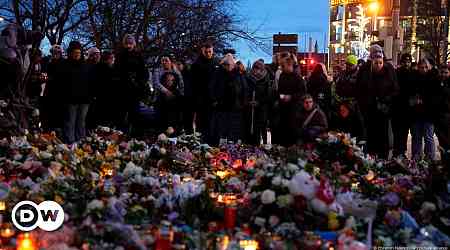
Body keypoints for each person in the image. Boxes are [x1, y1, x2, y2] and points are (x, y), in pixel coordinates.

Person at [356, 44, 399, 159]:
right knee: (370, 135)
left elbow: (394, 88)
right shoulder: (365, 69)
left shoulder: (389, 69)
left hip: (383, 109)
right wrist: (363, 103)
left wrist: (386, 100)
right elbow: (359, 88)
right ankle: (370, 157)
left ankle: (383, 157)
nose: (378, 64)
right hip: (369, 109)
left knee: (383, 135)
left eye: (380, 61)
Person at [56, 41, 91, 144]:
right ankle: (70, 141)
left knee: (81, 122)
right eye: (75, 52)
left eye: (79, 53)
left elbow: (90, 81)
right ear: (70, 53)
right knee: (70, 121)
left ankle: (80, 141)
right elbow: (61, 82)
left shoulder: (85, 65)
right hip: (70, 98)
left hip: (84, 98)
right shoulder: (64, 65)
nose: (77, 54)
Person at [209, 54, 248, 145]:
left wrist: (243, 102)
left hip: (235, 107)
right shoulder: (218, 73)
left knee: (233, 130)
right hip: (222, 106)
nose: (227, 66)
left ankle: (232, 148)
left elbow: (244, 89)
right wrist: (214, 100)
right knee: (221, 130)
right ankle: (221, 147)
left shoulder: (239, 74)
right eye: (225, 64)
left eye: (229, 64)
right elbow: (212, 87)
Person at [115, 34, 149, 134]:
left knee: (134, 115)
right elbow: (116, 72)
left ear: (133, 44)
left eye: (130, 43)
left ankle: (134, 136)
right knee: (121, 115)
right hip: (123, 90)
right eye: (127, 43)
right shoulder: (120, 56)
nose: (129, 46)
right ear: (124, 44)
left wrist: (140, 83)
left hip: (135, 90)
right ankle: (120, 135)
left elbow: (144, 72)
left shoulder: (139, 56)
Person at [409, 59, 440, 161]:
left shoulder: (434, 79)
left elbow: (437, 97)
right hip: (416, 113)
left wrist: (424, 100)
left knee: (428, 137)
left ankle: (430, 158)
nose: (424, 69)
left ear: (429, 67)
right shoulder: (414, 78)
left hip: (428, 114)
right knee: (416, 137)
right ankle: (416, 158)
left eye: (426, 67)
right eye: (421, 67)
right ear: (418, 68)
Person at [274, 53, 307, 146]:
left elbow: (302, 93)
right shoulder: (282, 76)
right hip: (283, 109)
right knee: (283, 133)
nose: (282, 68)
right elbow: (279, 90)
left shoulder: (297, 78)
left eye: (283, 66)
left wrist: (291, 97)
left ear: (289, 65)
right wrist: (280, 97)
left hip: (294, 110)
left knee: (292, 133)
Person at [190, 42, 219, 143]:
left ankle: (212, 145)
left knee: (212, 125)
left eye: (210, 51)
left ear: (212, 51)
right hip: (200, 100)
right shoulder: (196, 65)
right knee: (201, 126)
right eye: (206, 52)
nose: (208, 53)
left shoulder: (217, 64)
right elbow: (193, 84)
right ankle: (200, 145)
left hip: (213, 101)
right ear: (202, 51)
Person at [245, 59, 276, 145]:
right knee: (251, 129)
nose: (255, 71)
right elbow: (245, 91)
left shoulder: (266, 80)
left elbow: (268, 95)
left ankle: (261, 146)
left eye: (257, 69)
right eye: (254, 68)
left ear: (261, 70)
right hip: (250, 109)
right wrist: (248, 101)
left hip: (262, 109)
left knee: (260, 129)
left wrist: (259, 102)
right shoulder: (248, 78)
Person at [392, 53, 413, 158]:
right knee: (397, 131)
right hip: (397, 107)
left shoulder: (412, 74)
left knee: (404, 131)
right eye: (405, 61)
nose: (407, 63)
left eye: (408, 61)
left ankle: (402, 151)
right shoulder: (397, 73)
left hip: (406, 108)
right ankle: (397, 151)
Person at [93, 51, 121, 128]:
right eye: (112, 58)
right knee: (105, 124)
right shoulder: (107, 69)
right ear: (108, 59)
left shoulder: (99, 68)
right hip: (106, 100)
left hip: (104, 100)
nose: (113, 60)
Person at [41, 44, 64, 133]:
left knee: (58, 113)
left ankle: (57, 131)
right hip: (48, 91)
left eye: (58, 53)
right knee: (48, 111)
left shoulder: (63, 63)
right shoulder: (48, 62)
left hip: (59, 92)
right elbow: (44, 74)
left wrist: (52, 78)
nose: (55, 54)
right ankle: (48, 130)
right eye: (54, 52)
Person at [436, 64, 450, 153]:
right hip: (439, 115)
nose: (443, 74)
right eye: (442, 72)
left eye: (446, 73)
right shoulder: (437, 82)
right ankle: (444, 161)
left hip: (447, 115)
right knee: (442, 142)